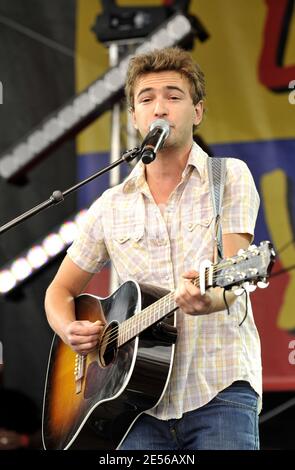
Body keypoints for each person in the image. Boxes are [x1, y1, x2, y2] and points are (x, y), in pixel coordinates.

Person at [44, 47, 261, 450]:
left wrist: (209, 298)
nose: (159, 108)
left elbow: (233, 277)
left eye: (173, 96)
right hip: (132, 407)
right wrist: (69, 331)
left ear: (197, 111)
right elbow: (59, 291)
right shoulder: (111, 204)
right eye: (147, 98)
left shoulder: (228, 176)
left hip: (218, 390)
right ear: (134, 118)